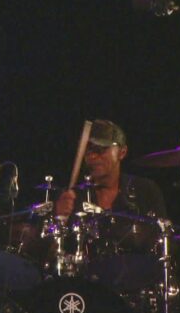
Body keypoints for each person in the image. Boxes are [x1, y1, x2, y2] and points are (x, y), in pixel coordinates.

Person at [54, 119, 167, 289]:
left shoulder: (145, 190)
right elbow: (53, 258)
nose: (92, 156)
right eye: (89, 150)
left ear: (122, 152)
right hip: (84, 288)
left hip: (134, 286)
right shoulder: (73, 196)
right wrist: (60, 218)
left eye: (101, 150)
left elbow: (163, 246)